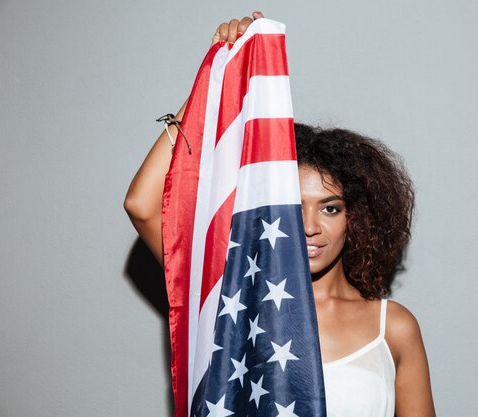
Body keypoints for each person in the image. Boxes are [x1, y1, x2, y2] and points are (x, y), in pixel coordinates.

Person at [124, 12, 435, 417]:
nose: (308, 227)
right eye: (292, 209)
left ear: (355, 218)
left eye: (330, 207)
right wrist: (214, 84)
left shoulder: (392, 327)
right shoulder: (236, 296)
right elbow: (142, 205)